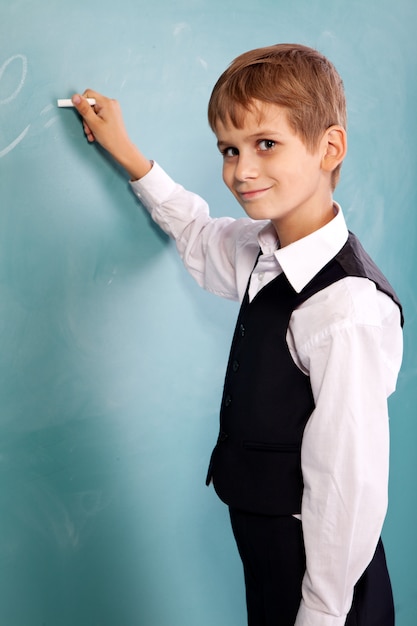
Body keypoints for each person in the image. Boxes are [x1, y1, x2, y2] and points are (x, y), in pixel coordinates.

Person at [71, 43, 403, 626]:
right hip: (269, 551)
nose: (240, 171)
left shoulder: (345, 307)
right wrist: (129, 156)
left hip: (325, 582)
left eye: (265, 145)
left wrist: (322, 614)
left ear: (330, 148)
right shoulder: (264, 250)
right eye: (229, 149)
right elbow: (199, 233)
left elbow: (349, 483)